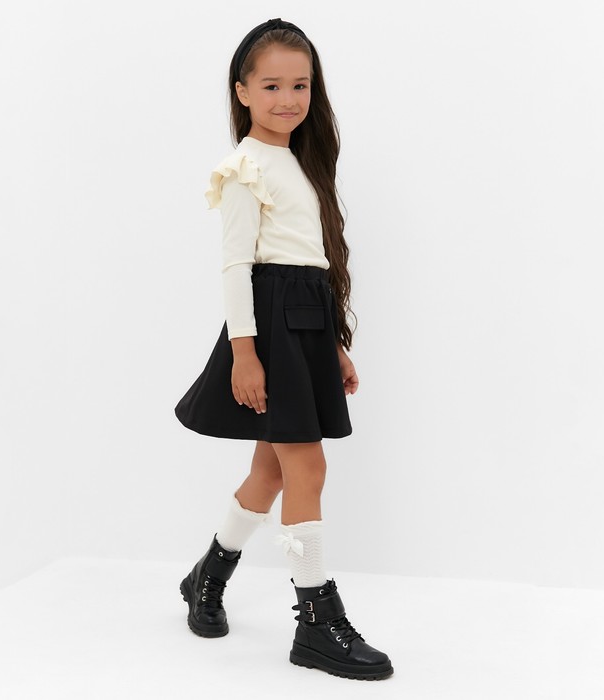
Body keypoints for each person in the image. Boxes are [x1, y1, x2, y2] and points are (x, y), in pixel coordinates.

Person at [174, 18, 393, 681]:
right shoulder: (244, 168)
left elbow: (310, 263)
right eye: (271, 86)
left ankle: (207, 576)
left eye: (300, 85)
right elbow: (237, 265)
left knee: (271, 472)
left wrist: (334, 346)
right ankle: (317, 620)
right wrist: (245, 352)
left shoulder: (300, 163)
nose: (288, 99)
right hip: (268, 326)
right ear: (242, 91)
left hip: (304, 324)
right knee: (307, 468)